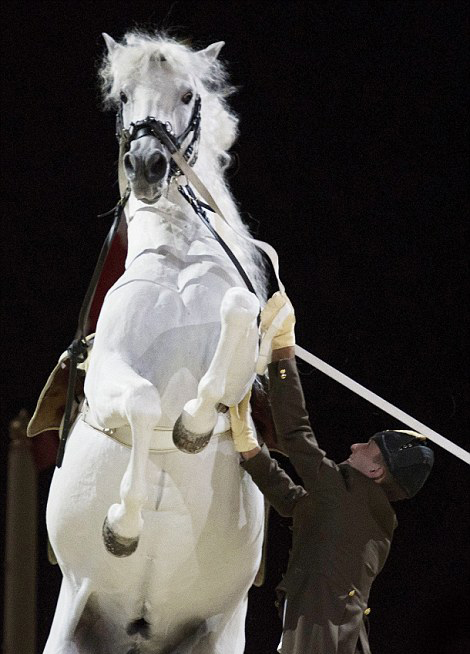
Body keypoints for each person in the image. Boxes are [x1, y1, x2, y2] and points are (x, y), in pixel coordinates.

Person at [229, 292, 434, 654]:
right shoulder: (367, 518)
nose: (354, 447)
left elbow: (295, 434)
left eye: (367, 446)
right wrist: (251, 452)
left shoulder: (347, 496)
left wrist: (282, 352)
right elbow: (296, 504)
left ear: (375, 470)